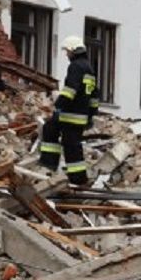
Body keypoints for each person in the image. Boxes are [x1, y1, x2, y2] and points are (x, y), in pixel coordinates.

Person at [40, 35, 99, 186]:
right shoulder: (89, 68)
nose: (66, 54)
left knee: (70, 145)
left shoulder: (75, 66)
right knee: (52, 130)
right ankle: (54, 168)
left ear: (73, 50)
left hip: (70, 114)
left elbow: (70, 90)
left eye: (67, 51)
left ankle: (73, 176)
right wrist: (90, 116)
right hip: (80, 115)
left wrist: (58, 104)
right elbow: (94, 96)